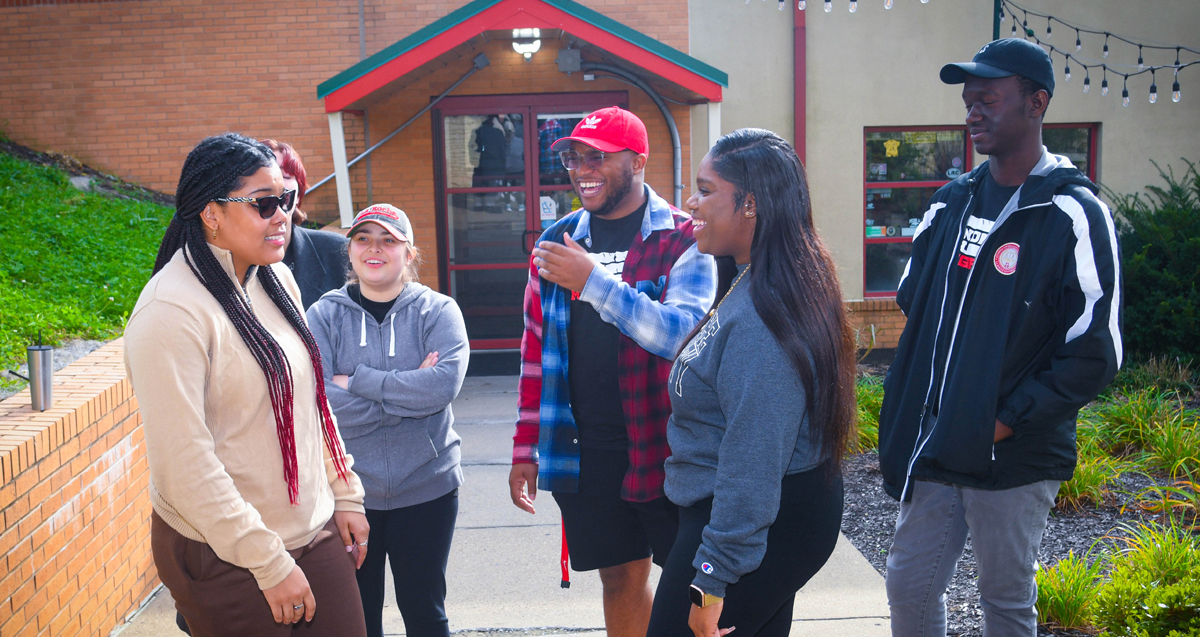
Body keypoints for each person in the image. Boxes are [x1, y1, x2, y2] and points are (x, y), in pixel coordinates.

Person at [878, 39, 1122, 636]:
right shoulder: (951, 201)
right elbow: (917, 297)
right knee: (908, 585)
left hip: (1012, 448)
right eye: (969, 101)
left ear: (1036, 103)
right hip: (939, 438)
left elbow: (1097, 349)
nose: (973, 112)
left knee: (1004, 599)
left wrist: (1004, 418)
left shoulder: (1074, 213)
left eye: (989, 98)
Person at [123, 133, 369, 636]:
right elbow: (185, 467)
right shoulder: (170, 312)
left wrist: (345, 494)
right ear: (210, 213)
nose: (282, 215)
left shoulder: (274, 279)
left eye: (286, 199)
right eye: (263, 204)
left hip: (312, 527)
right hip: (224, 549)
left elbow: (311, 398)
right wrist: (270, 564)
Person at [508, 106, 718, 637]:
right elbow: (536, 353)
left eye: (597, 157)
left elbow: (682, 336)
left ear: (638, 160)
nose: (582, 169)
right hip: (588, 451)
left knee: (696, 586)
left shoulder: (683, 237)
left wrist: (593, 282)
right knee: (619, 580)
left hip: (669, 446)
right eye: (575, 157)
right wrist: (524, 448)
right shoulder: (556, 240)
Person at [645, 129, 857, 637]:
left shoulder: (763, 316)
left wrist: (713, 576)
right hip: (755, 516)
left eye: (705, 189)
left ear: (751, 205)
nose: (691, 203)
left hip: (753, 523)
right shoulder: (750, 279)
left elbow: (753, 459)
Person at [306, 204, 469, 637]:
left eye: (388, 240)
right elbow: (318, 401)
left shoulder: (438, 311)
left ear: (409, 254)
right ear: (350, 249)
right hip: (350, 498)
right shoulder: (323, 315)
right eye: (363, 238)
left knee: (425, 611)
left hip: (427, 488)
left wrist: (357, 380)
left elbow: (441, 388)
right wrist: (407, 389)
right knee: (357, 618)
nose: (374, 248)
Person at [261, 138, 350, 310]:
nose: (277, 182)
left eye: (285, 176)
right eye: (267, 174)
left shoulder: (338, 252)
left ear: (299, 195)